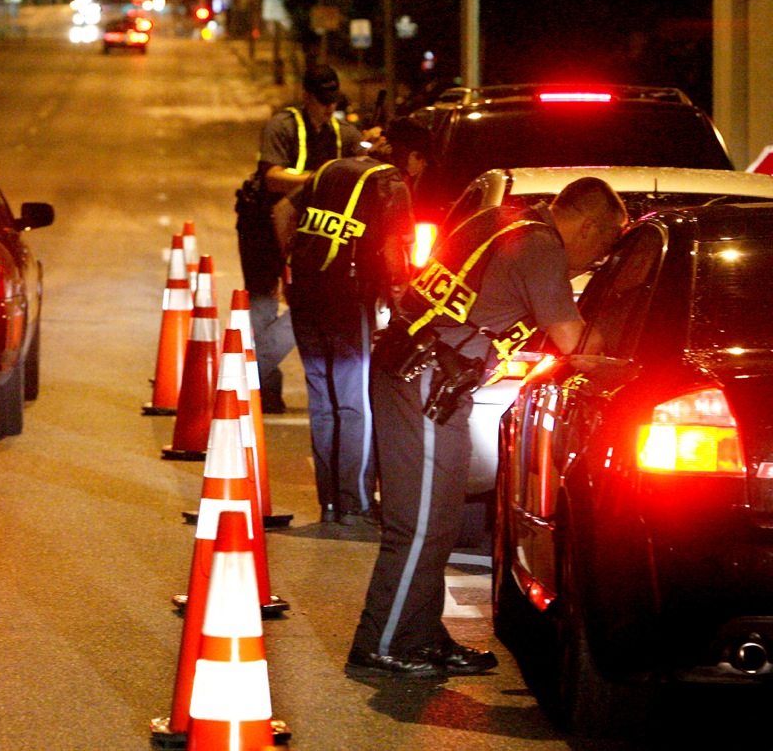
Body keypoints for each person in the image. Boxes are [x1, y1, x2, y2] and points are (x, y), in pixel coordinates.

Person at [348, 176, 628, 676]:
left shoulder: (500, 220)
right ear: (588, 226)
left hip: (426, 377)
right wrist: (630, 361)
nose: (597, 260)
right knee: (419, 526)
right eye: (605, 246)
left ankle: (421, 634)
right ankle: (384, 642)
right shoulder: (538, 248)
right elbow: (578, 344)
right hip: (425, 380)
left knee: (438, 521)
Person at [272, 152, 414, 526]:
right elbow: (392, 250)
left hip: (306, 290)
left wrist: (292, 263)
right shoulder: (392, 184)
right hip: (349, 298)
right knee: (354, 403)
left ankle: (330, 502)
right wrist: (401, 296)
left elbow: (282, 213)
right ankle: (358, 503)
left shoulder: (330, 170)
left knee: (322, 399)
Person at [236, 63, 365, 413]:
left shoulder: (345, 134)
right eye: (322, 101)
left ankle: (247, 375)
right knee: (262, 304)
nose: (329, 108)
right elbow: (274, 177)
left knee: (309, 304)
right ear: (306, 97)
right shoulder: (282, 126)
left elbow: (361, 172)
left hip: (310, 233)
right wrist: (322, 177)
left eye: (334, 101)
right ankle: (265, 390)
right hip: (262, 225)